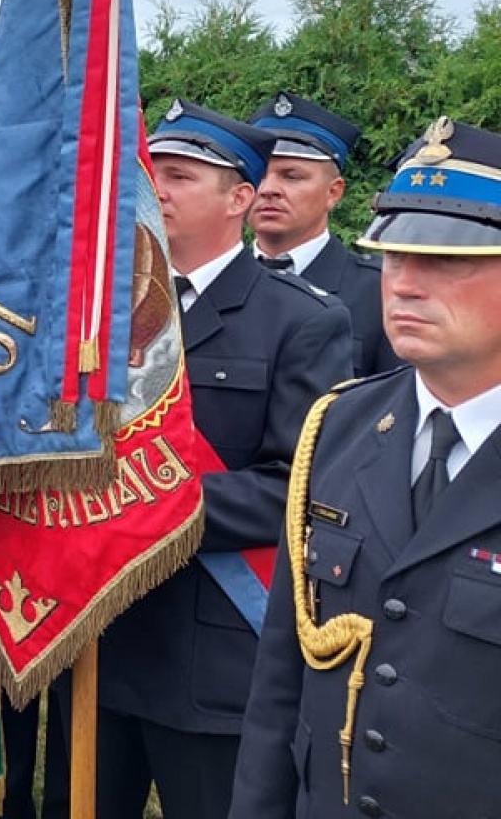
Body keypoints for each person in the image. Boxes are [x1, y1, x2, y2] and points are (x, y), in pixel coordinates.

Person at [88, 101, 353, 819]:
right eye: (151, 173)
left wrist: (137, 504)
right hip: (99, 637)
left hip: (210, 646)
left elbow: (297, 490)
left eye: (177, 176)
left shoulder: (303, 321)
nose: (156, 190)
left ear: (240, 198)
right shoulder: (107, 310)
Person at [231, 117, 501, 818]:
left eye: (447, 259)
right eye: (395, 255)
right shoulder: (339, 426)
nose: (405, 283)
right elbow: (282, 679)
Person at [248, 91, 400, 376]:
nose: (268, 189)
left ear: (334, 192)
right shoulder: (213, 282)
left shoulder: (380, 291)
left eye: (291, 176)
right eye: (259, 175)